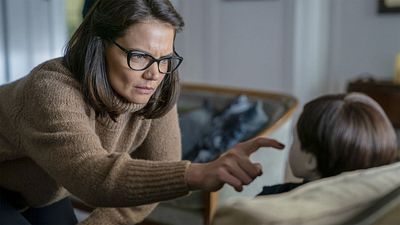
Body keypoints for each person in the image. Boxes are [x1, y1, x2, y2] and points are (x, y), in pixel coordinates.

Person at [0, 0, 285, 224]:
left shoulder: (157, 87)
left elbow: (151, 185)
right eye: (139, 56)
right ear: (97, 46)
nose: (154, 73)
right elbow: (91, 174)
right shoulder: (51, 88)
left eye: (165, 59)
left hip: (40, 191)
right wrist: (196, 173)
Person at [258, 92, 398, 195]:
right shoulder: (380, 203)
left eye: (294, 139)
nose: (290, 145)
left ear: (311, 161)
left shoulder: (271, 200)